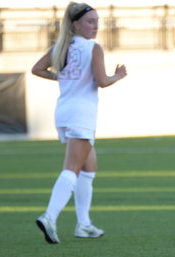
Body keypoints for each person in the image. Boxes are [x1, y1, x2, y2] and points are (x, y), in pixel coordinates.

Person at [31, 2, 127, 244]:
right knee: (72, 168)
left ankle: (83, 224)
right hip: (81, 114)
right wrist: (118, 76)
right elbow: (102, 81)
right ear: (76, 24)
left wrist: (62, 77)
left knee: (89, 168)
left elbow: (37, 69)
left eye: (97, 21)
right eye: (90, 22)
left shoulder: (61, 46)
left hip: (64, 111)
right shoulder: (93, 47)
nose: (95, 26)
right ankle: (49, 216)